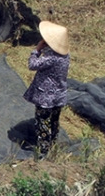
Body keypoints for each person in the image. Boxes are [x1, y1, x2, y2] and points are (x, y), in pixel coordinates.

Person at [25, 21, 70, 158]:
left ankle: (43, 152)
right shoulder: (65, 56)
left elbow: (32, 65)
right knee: (54, 122)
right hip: (59, 95)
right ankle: (53, 146)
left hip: (46, 98)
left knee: (42, 123)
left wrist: (37, 49)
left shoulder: (51, 58)